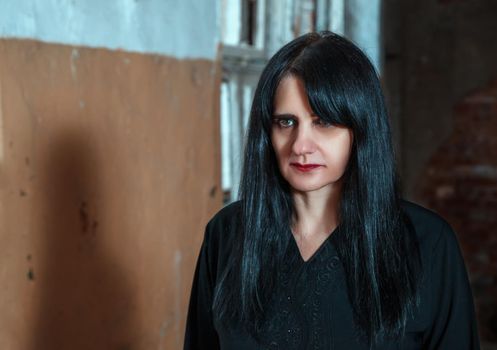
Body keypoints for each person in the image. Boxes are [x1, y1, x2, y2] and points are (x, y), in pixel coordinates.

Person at [184, 31, 480, 349]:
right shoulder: (226, 234)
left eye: (323, 121)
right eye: (285, 122)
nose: (300, 146)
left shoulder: (426, 243)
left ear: (360, 129)